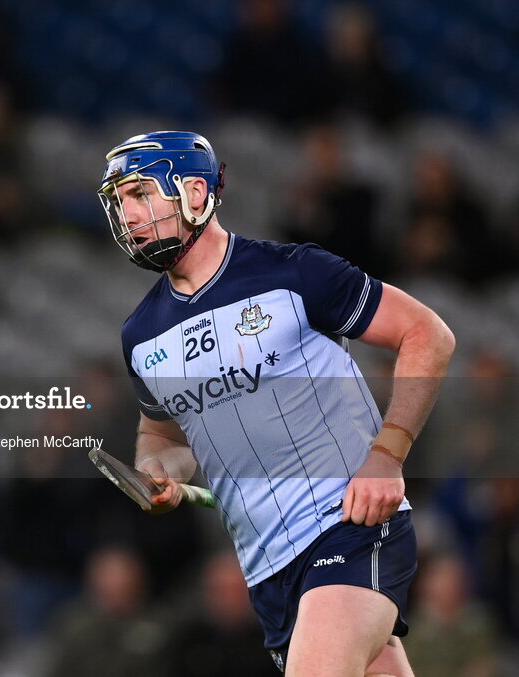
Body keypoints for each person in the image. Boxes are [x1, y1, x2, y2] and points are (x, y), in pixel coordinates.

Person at [99, 131, 455, 676]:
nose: (129, 215)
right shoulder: (141, 336)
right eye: (120, 201)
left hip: (350, 530)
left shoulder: (293, 273)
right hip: (268, 571)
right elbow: (163, 436)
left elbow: (428, 335)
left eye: (141, 194)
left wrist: (388, 453)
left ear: (195, 193)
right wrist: (156, 470)